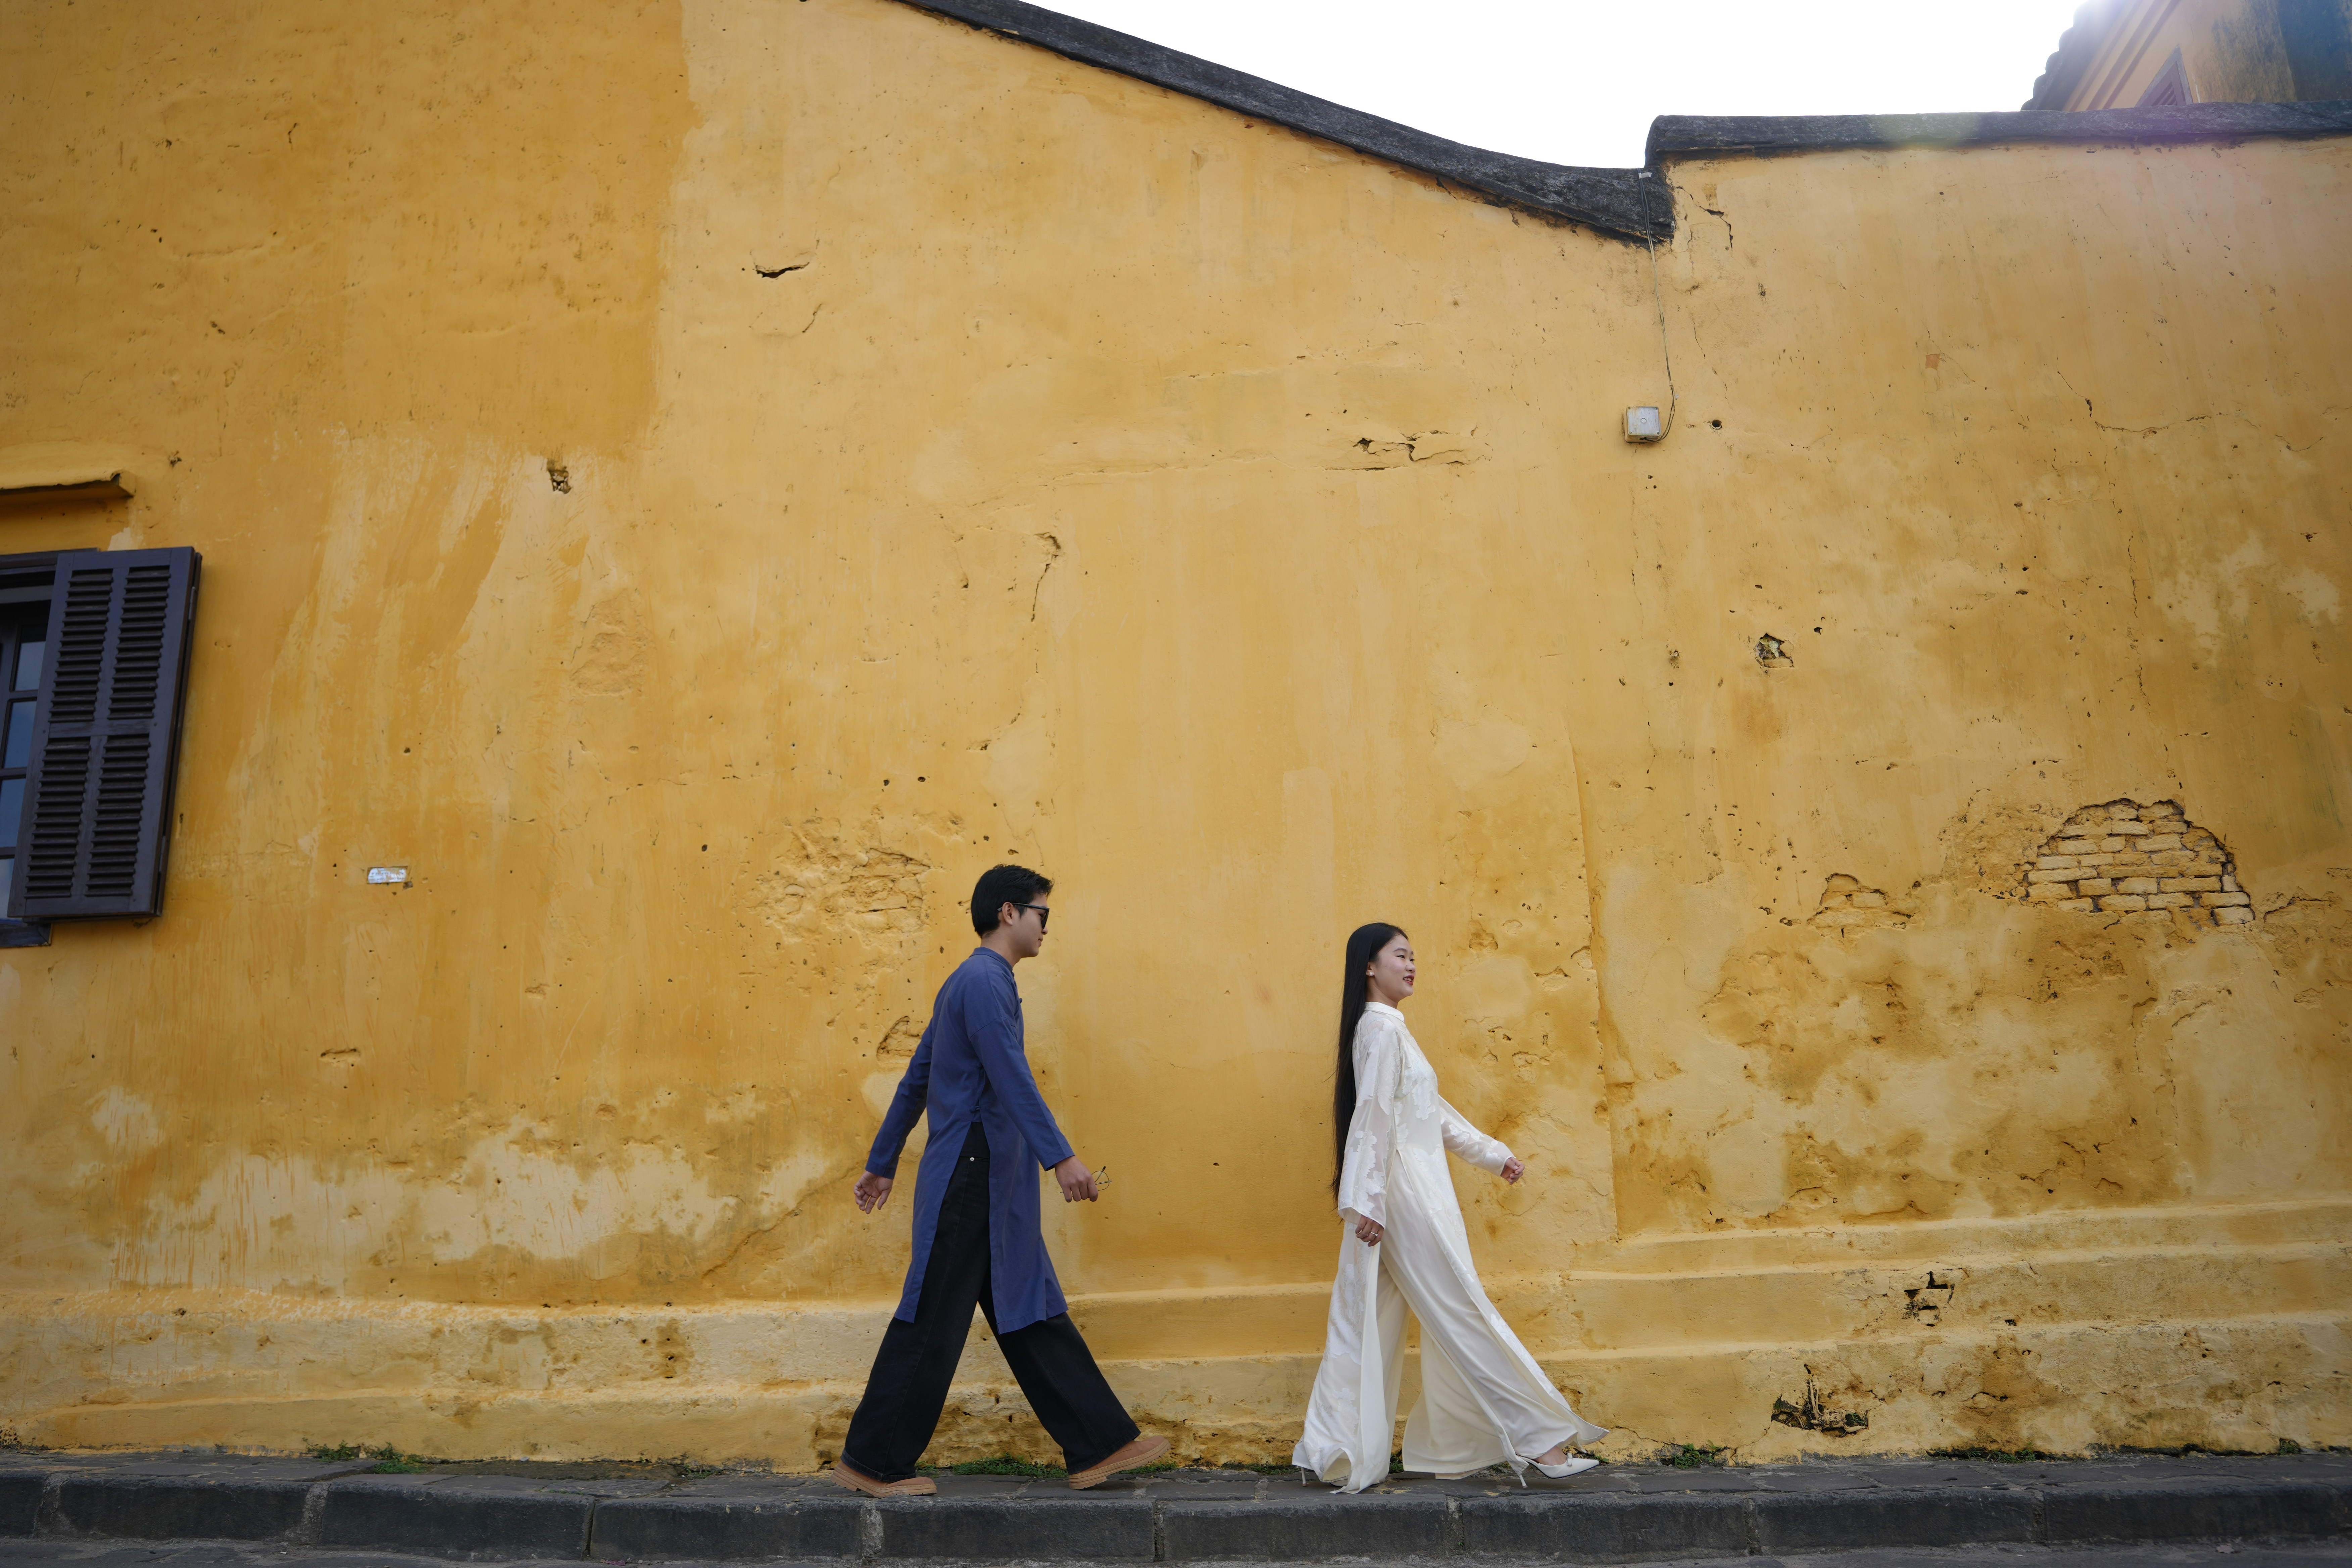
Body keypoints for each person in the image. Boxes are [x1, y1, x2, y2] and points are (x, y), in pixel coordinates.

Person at [830, 864, 1170, 1496]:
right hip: (972, 1173)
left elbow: (916, 1081)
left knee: (1029, 1311)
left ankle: (1098, 1445)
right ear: (1010, 913)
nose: (1047, 928)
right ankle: (872, 1460)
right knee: (934, 1313)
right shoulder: (986, 981)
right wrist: (1061, 1157)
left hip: (987, 1177)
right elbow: (1009, 1073)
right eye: (1043, 914)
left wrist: (881, 1164)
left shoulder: (971, 982)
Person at [1293, 923, 1607, 1491]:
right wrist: (1365, 1201)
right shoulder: (1379, 1030)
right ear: (1370, 966)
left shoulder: (1391, 1030)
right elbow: (1372, 1117)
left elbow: (1429, 1112)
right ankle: (1539, 1439)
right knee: (1461, 1311)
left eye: (1415, 957)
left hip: (1409, 1191)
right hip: (1404, 1196)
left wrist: (1492, 1154)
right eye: (1401, 956)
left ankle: (1335, 1447)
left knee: (1366, 1320)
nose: (1412, 965)